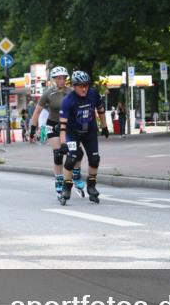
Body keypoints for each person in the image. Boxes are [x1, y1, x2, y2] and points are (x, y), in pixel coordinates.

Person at [57, 71, 110, 204]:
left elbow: (101, 109)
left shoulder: (93, 94)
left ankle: (91, 186)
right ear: (74, 86)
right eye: (81, 86)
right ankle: (66, 187)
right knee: (72, 158)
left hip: (89, 131)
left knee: (94, 158)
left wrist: (104, 126)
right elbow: (62, 125)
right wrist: (63, 143)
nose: (84, 88)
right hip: (72, 132)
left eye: (86, 85)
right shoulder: (68, 101)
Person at [30, 67, 71, 198]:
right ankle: (59, 179)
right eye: (59, 78)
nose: (62, 80)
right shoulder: (48, 93)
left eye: (64, 78)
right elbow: (37, 112)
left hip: (68, 125)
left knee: (73, 154)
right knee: (58, 154)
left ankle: (74, 173)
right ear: (54, 79)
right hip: (53, 125)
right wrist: (32, 129)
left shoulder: (71, 93)